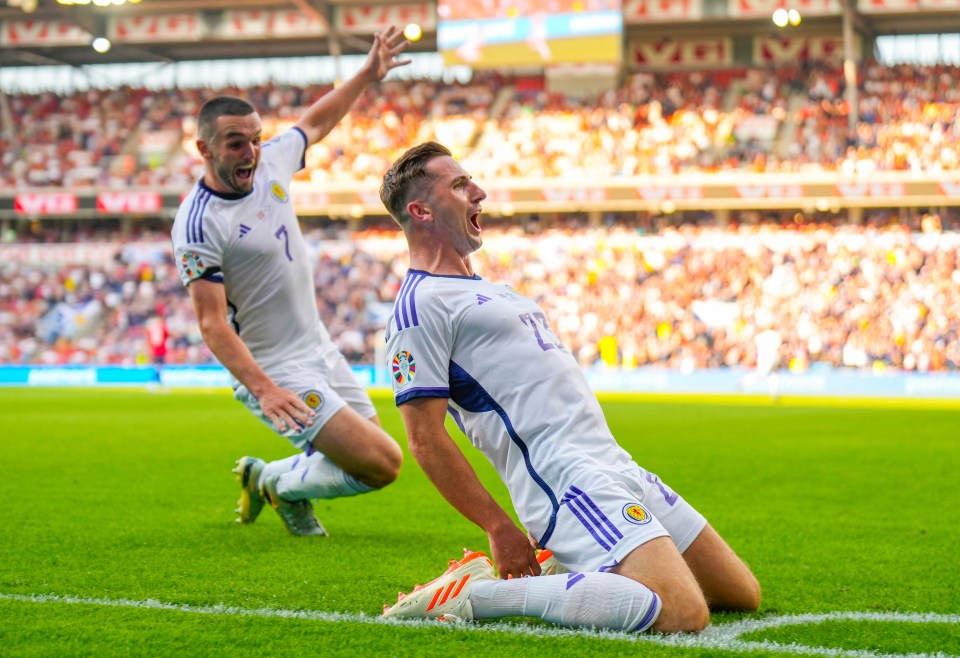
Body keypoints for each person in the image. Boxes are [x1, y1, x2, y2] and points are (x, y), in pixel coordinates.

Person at [377, 142, 760, 633]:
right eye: (459, 185)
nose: (479, 192)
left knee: (739, 595)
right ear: (421, 210)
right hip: (566, 480)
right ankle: (477, 596)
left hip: (615, 464)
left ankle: (573, 566)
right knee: (683, 612)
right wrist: (498, 526)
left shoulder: (492, 289)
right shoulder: (420, 306)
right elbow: (425, 438)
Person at [170, 27, 410, 536]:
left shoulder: (272, 160)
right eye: (236, 143)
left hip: (316, 347)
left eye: (255, 139)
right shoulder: (197, 224)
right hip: (273, 366)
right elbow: (212, 324)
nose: (252, 153)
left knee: (366, 464)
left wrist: (368, 73)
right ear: (204, 148)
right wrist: (265, 388)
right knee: (384, 463)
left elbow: (314, 122)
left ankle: (274, 481)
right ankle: (281, 485)